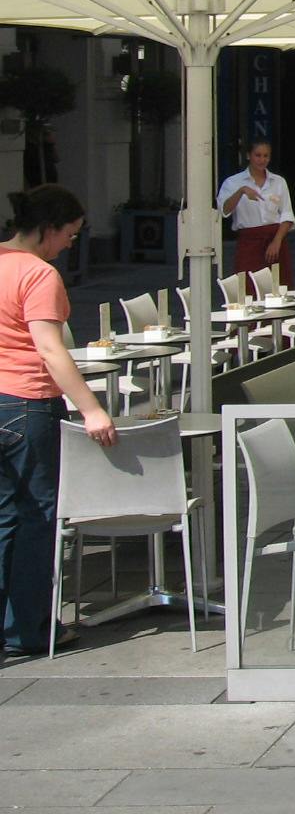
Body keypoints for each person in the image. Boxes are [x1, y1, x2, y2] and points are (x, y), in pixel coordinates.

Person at [0, 186, 107, 656]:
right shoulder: (39, 274)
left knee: (4, 517)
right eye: (69, 234)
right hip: (28, 403)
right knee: (37, 518)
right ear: (48, 230)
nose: (70, 243)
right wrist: (91, 408)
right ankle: (28, 628)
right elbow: (49, 347)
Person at [218, 140, 295, 285]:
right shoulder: (232, 182)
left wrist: (277, 241)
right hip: (249, 242)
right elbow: (224, 210)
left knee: (279, 287)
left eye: (266, 156)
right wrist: (241, 191)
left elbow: (287, 214)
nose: (262, 160)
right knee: (248, 287)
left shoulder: (278, 182)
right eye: (258, 155)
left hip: (274, 240)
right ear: (249, 155)